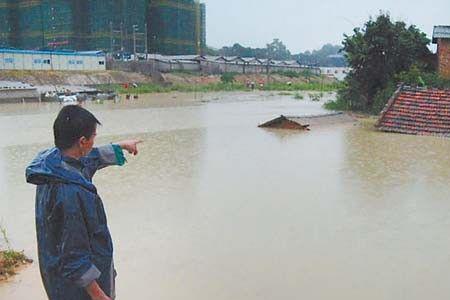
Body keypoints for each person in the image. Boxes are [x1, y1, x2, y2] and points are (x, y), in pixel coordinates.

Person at [26, 105, 142, 300]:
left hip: (56, 276)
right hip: (78, 291)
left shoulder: (51, 165)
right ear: (82, 141)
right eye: (93, 137)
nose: (94, 142)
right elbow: (74, 257)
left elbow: (89, 159)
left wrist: (121, 146)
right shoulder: (71, 193)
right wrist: (99, 295)